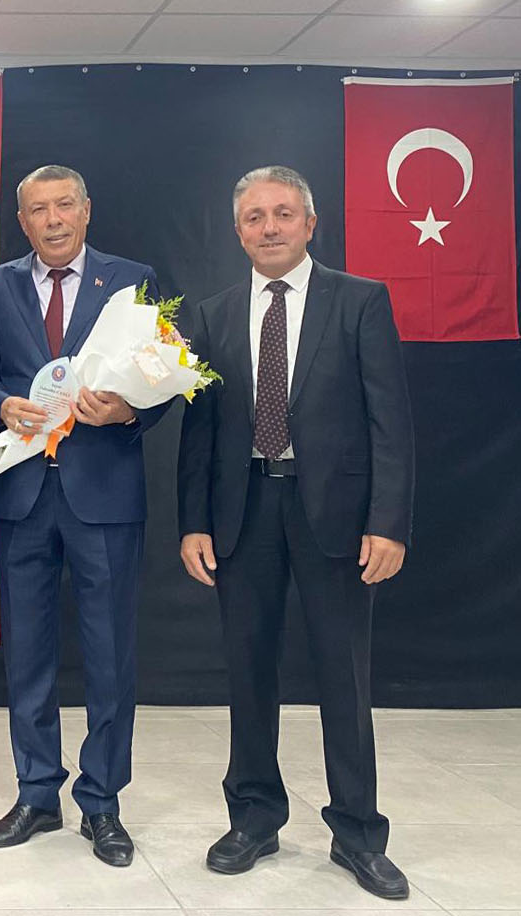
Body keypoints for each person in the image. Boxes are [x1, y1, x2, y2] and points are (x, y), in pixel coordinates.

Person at [177, 166, 414, 900]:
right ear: (238, 230)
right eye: (255, 217)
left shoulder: (360, 301)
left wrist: (388, 521)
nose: (269, 227)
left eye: (283, 213)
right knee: (249, 671)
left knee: (344, 675)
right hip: (242, 510)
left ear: (311, 224)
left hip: (336, 518)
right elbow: (199, 431)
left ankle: (358, 833)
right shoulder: (213, 314)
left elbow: (391, 422)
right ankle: (254, 818)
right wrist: (192, 522)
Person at [0, 165, 167, 867]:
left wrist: (128, 410)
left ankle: (103, 802)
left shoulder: (133, 280)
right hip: (21, 492)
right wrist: (1, 404)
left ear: (86, 211)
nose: (52, 220)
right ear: (21, 221)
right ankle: (36, 793)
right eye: (37, 210)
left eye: (63, 206)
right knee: (26, 651)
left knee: (109, 655)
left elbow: (163, 374)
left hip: (104, 493)